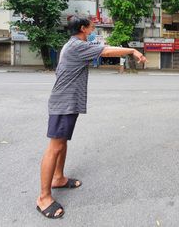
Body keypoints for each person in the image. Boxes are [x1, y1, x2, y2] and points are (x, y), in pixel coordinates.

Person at [36, 16, 147, 219]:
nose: (93, 30)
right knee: (55, 146)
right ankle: (43, 197)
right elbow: (105, 50)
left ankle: (58, 178)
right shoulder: (76, 46)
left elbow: (100, 48)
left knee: (62, 143)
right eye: (92, 27)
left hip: (67, 102)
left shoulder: (73, 45)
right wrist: (131, 50)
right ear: (83, 29)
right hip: (63, 103)